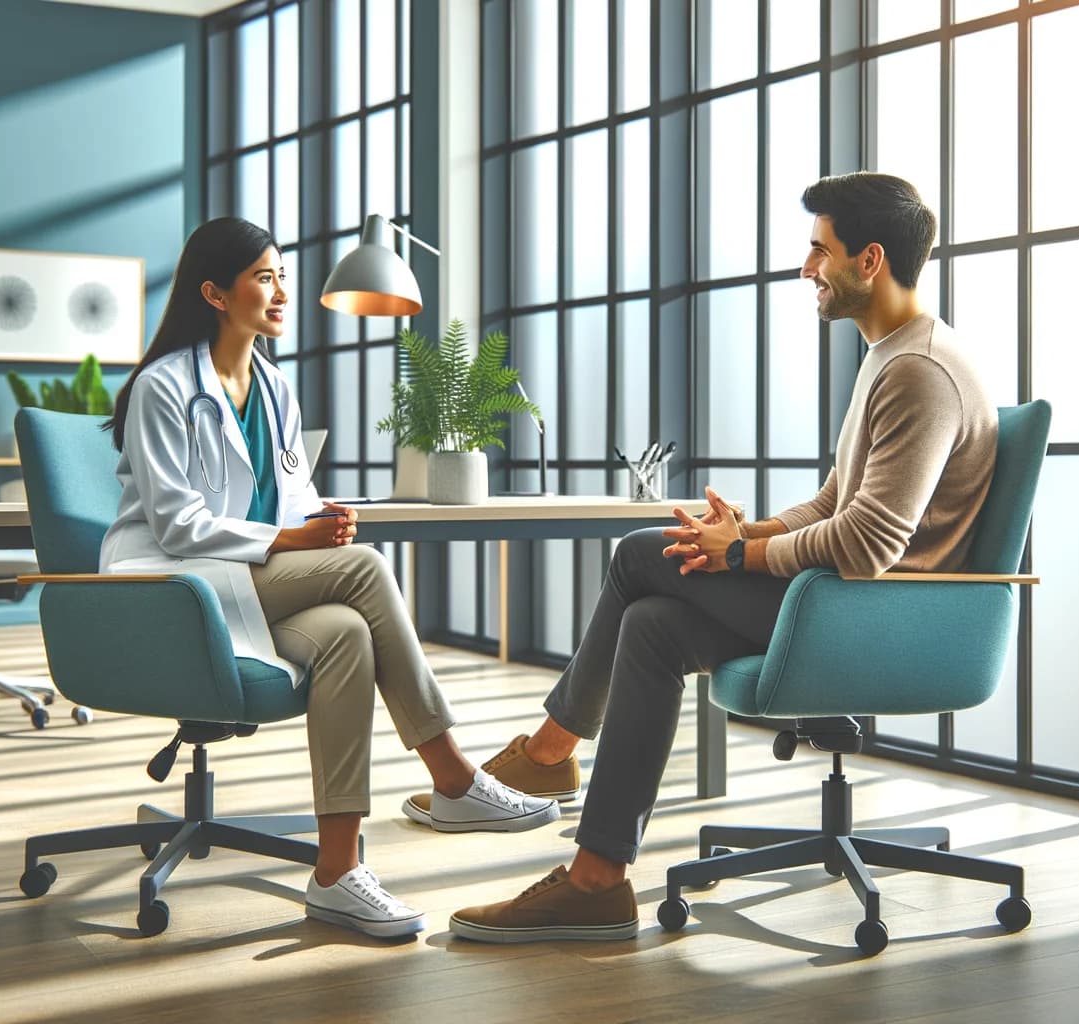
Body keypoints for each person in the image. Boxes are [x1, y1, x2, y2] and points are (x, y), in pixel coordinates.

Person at [440, 172, 999, 942]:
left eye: (818, 251)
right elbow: (834, 504)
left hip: (872, 615)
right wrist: (750, 532)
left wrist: (741, 553)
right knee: (654, 624)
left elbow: (869, 544)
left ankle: (551, 748)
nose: (806, 269)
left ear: (869, 260)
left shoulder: (919, 372)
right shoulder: (889, 357)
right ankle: (597, 879)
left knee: (640, 555)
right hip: (840, 602)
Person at [100, 216, 560, 940]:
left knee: (347, 633)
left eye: (282, 274)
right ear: (215, 294)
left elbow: (286, 495)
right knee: (366, 569)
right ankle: (453, 778)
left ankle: (336, 873)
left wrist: (320, 517)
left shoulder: (276, 387)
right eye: (263, 277)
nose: (282, 290)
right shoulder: (163, 388)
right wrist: (293, 536)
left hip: (248, 577)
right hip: (175, 585)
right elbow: (177, 525)